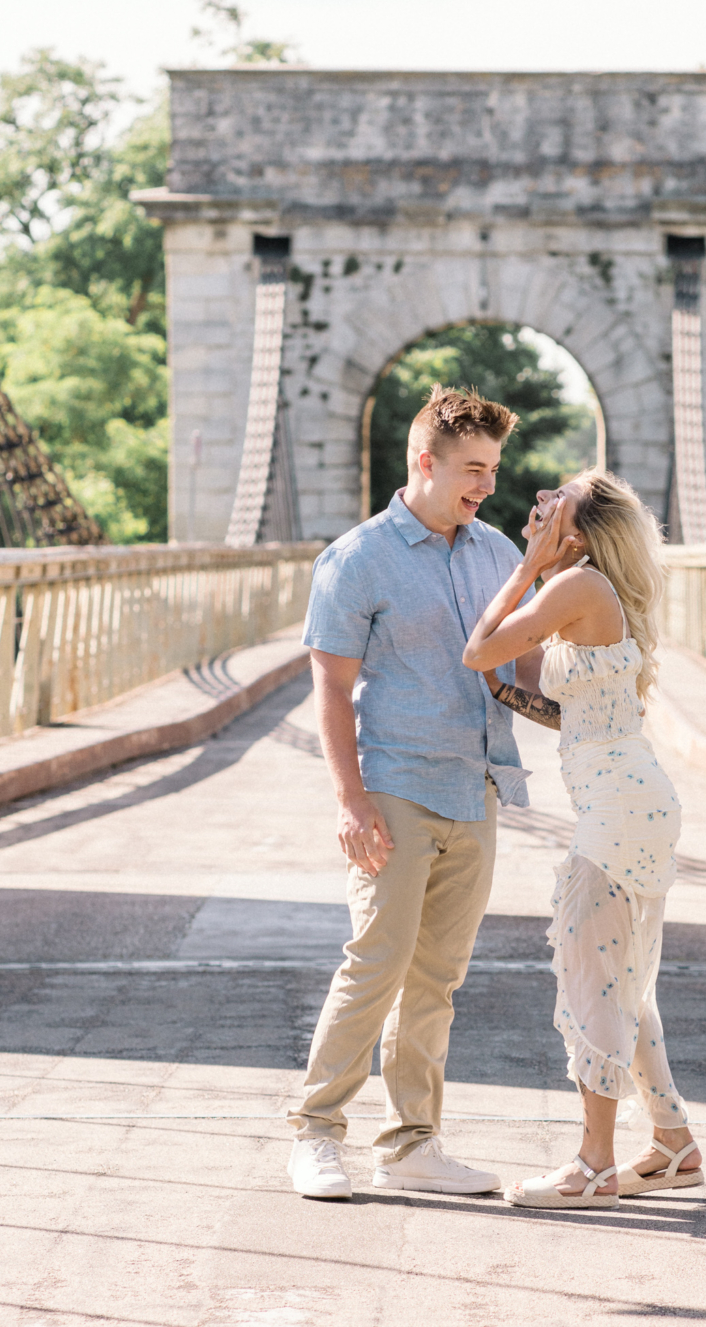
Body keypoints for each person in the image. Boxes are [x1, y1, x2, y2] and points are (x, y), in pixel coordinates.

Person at [287, 385, 542, 1200]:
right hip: (395, 784)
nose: (486, 486)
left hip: (479, 788)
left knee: (437, 978)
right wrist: (349, 801)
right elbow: (330, 688)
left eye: (494, 470)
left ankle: (412, 1144)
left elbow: (522, 671)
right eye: (473, 469)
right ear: (425, 463)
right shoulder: (358, 558)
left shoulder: (500, 553)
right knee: (376, 963)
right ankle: (317, 1135)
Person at [463, 469, 703, 1209]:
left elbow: (480, 650)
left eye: (552, 502)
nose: (535, 505)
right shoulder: (588, 591)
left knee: (593, 979)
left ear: (580, 529)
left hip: (620, 810)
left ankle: (592, 1164)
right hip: (630, 798)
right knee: (624, 981)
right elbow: (563, 699)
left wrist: (528, 566)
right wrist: (509, 688)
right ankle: (673, 1144)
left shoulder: (575, 587)